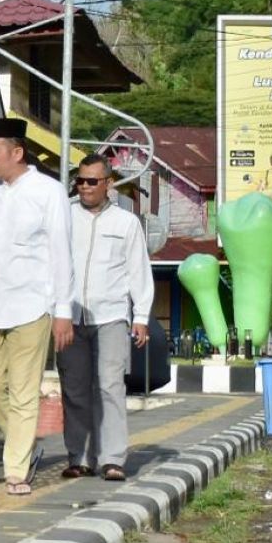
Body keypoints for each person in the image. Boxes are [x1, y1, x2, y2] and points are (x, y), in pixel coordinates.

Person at [0, 118, 74, 496]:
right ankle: (24, 444)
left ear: (17, 152)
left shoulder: (49, 191)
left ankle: (15, 471)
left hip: (32, 306)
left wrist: (62, 310)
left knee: (25, 391)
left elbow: (61, 254)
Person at [57, 155, 154, 481]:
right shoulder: (64, 218)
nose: (84, 187)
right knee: (74, 388)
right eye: (80, 181)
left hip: (111, 316)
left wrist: (140, 316)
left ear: (108, 184)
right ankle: (80, 457)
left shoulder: (126, 223)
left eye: (91, 181)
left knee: (109, 387)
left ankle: (113, 459)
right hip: (68, 315)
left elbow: (138, 272)